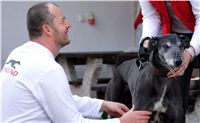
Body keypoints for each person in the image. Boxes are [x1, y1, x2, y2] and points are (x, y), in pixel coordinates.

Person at [0, 2, 152, 123]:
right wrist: (121, 122)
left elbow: (60, 99)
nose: (68, 24)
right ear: (47, 29)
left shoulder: (19, 53)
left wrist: (102, 105)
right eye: (63, 20)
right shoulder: (48, 69)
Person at [137, 0, 200, 122]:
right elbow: (151, 16)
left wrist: (190, 52)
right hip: (175, 36)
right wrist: (146, 41)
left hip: (197, 32)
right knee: (176, 96)